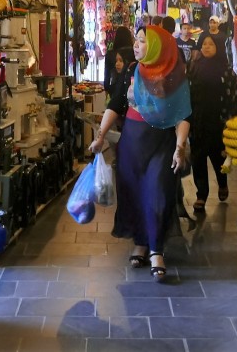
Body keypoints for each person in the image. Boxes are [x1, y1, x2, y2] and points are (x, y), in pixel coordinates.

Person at [88, 26, 191, 283]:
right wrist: (100, 136)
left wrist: (180, 148)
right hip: (131, 145)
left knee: (157, 194)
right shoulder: (132, 71)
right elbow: (116, 105)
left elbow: (183, 116)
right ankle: (141, 245)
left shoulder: (175, 76)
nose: (136, 45)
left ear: (158, 46)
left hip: (161, 144)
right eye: (136, 40)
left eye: (143, 41)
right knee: (133, 196)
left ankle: (156, 250)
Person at [187, 33, 237, 212]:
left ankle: (222, 184)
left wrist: (232, 120)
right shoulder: (194, 67)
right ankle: (201, 195)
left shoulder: (226, 71)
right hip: (198, 121)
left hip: (219, 122)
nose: (206, 47)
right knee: (198, 159)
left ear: (218, 47)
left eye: (210, 44)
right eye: (204, 44)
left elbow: (235, 96)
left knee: (218, 157)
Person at [103, 26, 135, 96]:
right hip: (131, 89)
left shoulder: (110, 54)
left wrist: (107, 89)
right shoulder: (133, 53)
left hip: (115, 88)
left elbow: (107, 77)